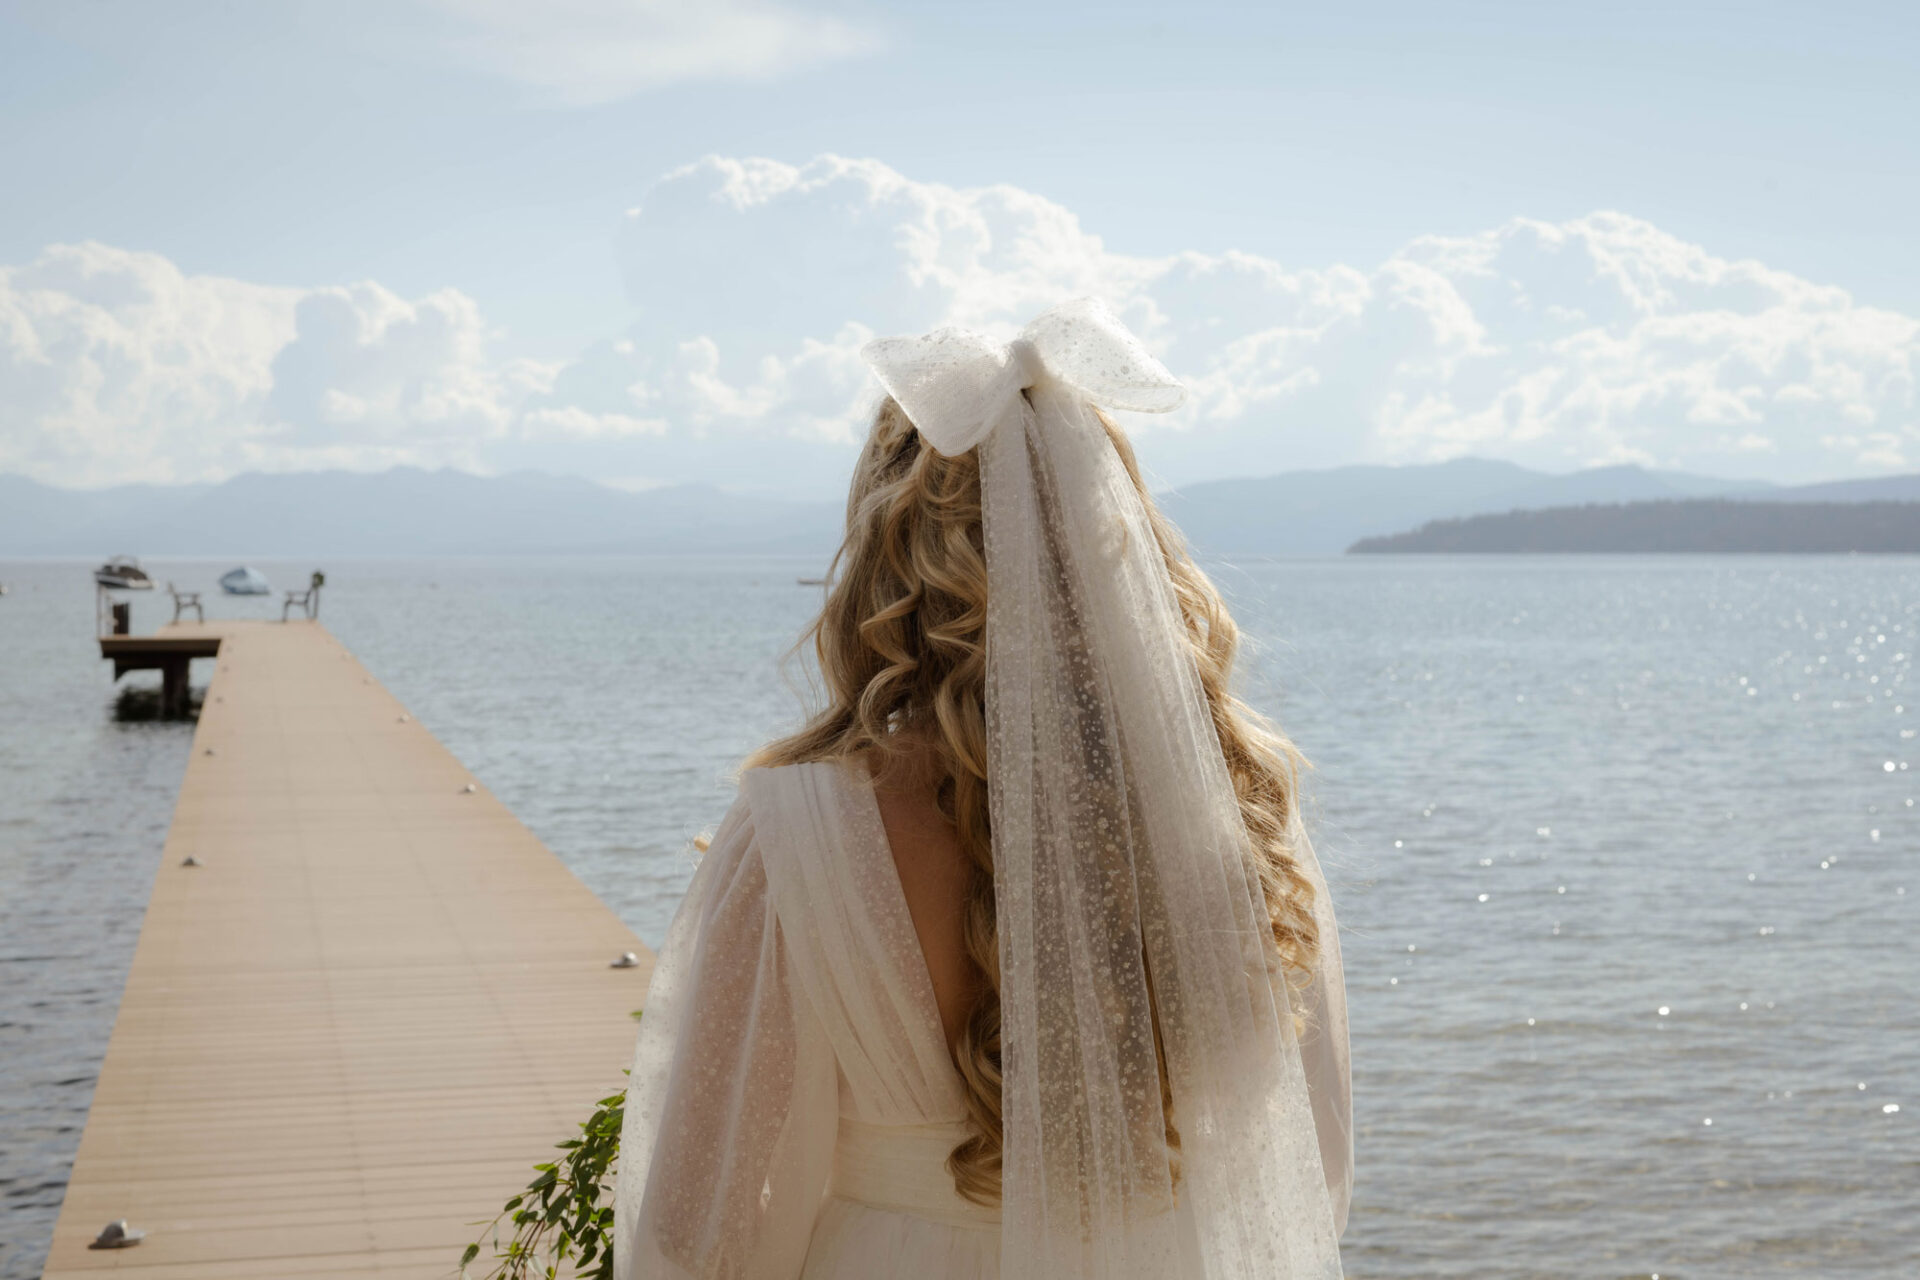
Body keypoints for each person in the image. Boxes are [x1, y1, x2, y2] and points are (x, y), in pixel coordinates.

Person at [615, 299, 1351, 1280]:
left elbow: (694, 1226)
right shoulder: (1238, 810)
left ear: (890, 548)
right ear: (1113, 541)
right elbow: (1314, 1161)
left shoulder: (805, 831)